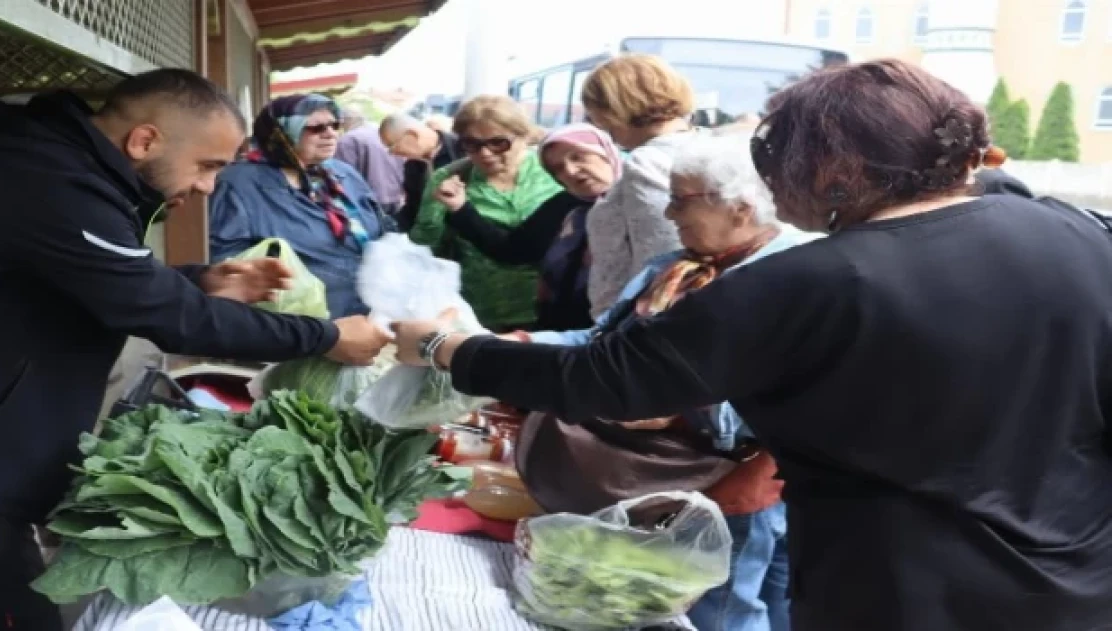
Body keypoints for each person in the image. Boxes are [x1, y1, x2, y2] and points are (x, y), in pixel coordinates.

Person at [391, 59, 1112, 631]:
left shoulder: (813, 279)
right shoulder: (1079, 235)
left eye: (779, 163)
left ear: (834, 168)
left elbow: (601, 378)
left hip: (899, 588)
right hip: (1076, 578)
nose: (771, 185)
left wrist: (446, 349)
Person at [0, 70, 389, 631]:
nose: (207, 188)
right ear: (144, 141)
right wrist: (328, 338)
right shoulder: (49, 181)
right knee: (6, 611)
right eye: (208, 165)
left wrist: (199, 282)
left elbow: (76, 280)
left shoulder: (49, 167)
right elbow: (163, 316)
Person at [519, 135, 809, 631]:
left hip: (735, 477)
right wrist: (517, 345)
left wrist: (679, 409)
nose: (670, 213)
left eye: (681, 199)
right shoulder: (676, 267)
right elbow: (603, 343)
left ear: (739, 207)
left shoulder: (795, 276)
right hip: (683, 474)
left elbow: (815, 393)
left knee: (726, 610)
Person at [210, 93, 389, 317]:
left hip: (368, 314)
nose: (330, 133)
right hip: (300, 325)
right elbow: (228, 263)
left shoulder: (342, 173)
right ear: (282, 133)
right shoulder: (238, 183)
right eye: (315, 127)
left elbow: (381, 226)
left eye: (335, 124)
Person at [440, 123, 621, 332]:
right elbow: (514, 250)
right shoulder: (566, 206)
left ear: (605, 153)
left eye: (578, 156)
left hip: (616, 339)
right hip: (558, 331)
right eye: (558, 168)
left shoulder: (639, 206)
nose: (570, 171)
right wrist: (460, 208)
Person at [409, 95, 563, 331]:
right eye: (472, 144)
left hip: (554, 308)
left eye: (498, 143)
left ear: (523, 136)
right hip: (481, 312)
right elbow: (425, 245)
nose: (485, 153)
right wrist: (435, 211)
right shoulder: (451, 177)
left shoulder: (556, 171)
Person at [581, 53, 699, 315]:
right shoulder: (718, 145)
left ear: (609, 109)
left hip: (642, 321)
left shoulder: (646, 162)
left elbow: (660, 254)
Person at [379, 112, 464, 232]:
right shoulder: (412, 166)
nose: (394, 154)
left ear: (412, 135)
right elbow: (412, 208)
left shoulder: (463, 149)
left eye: (393, 147)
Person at [333, 107, 405, 217]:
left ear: (343, 122)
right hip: (396, 196)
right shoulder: (384, 133)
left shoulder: (348, 140)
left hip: (370, 200)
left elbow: (342, 175)